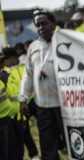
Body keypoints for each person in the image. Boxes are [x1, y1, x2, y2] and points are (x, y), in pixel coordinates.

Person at [19, 9, 65, 160]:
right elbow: (28, 75)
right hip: (43, 106)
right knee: (47, 145)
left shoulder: (65, 41)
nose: (40, 28)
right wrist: (23, 98)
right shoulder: (33, 47)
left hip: (64, 105)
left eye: (44, 23)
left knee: (72, 141)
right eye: (37, 25)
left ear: (53, 23)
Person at [0, 48, 24, 160]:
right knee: (9, 150)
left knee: (16, 147)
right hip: (7, 118)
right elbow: (12, 93)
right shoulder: (4, 74)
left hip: (15, 115)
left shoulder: (9, 72)